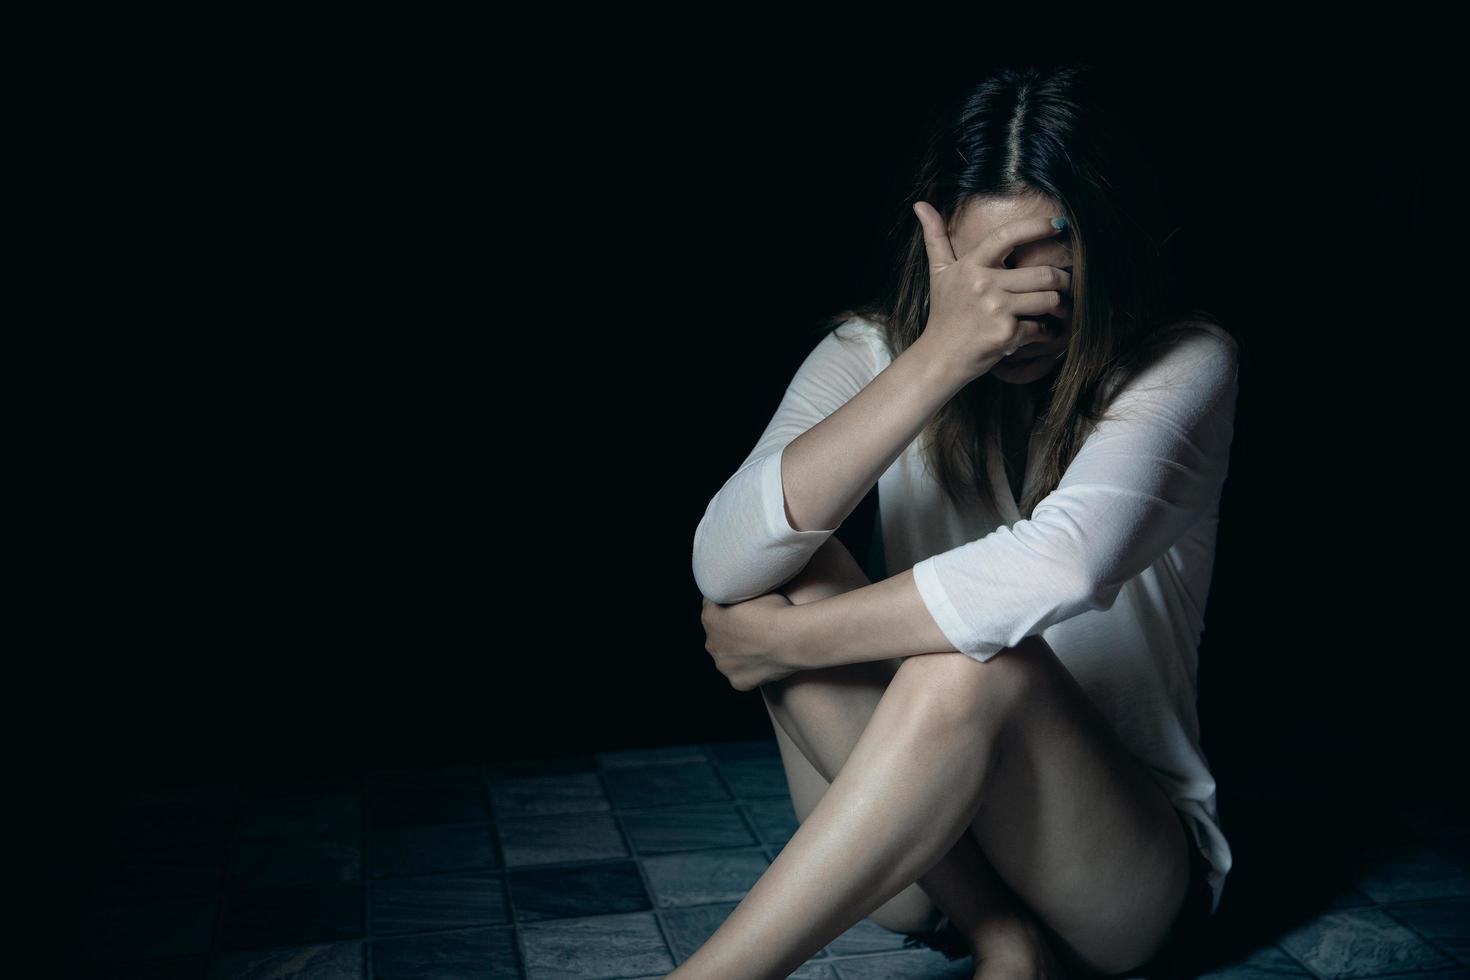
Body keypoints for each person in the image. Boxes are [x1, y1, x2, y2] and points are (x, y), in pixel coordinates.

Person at [685, 63, 1236, 980]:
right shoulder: (872, 349)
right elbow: (722, 563)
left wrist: (785, 647)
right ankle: (997, 933)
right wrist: (937, 358)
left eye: (1047, 268)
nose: (1015, 310)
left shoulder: (1186, 363)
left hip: (1120, 877)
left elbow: (1060, 569)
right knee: (784, 560)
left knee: (981, 664)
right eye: (989, 271)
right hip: (926, 869)